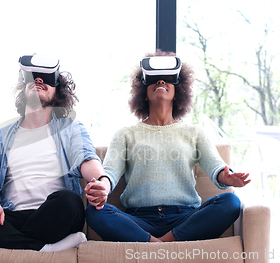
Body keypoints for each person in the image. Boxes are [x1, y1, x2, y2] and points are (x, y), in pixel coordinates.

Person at [0, 54, 109, 252]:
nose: (38, 81)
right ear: (23, 91)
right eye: (33, 78)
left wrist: (103, 183)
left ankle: (6, 241)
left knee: (69, 200)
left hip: (54, 216)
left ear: (58, 94)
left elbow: (86, 159)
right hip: (9, 217)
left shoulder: (70, 128)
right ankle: (40, 247)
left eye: (46, 79)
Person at [85, 51, 251, 243]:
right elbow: (110, 173)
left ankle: (156, 244)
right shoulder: (125, 134)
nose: (161, 82)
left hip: (184, 218)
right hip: (139, 220)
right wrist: (103, 188)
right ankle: (163, 244)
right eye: (154, 79)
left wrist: (227, 177)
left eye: (167, 80)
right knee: (94, 212)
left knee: (230, 202)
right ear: (144, 93)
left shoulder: (195, 132)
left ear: (178, 91)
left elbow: (216, 167)